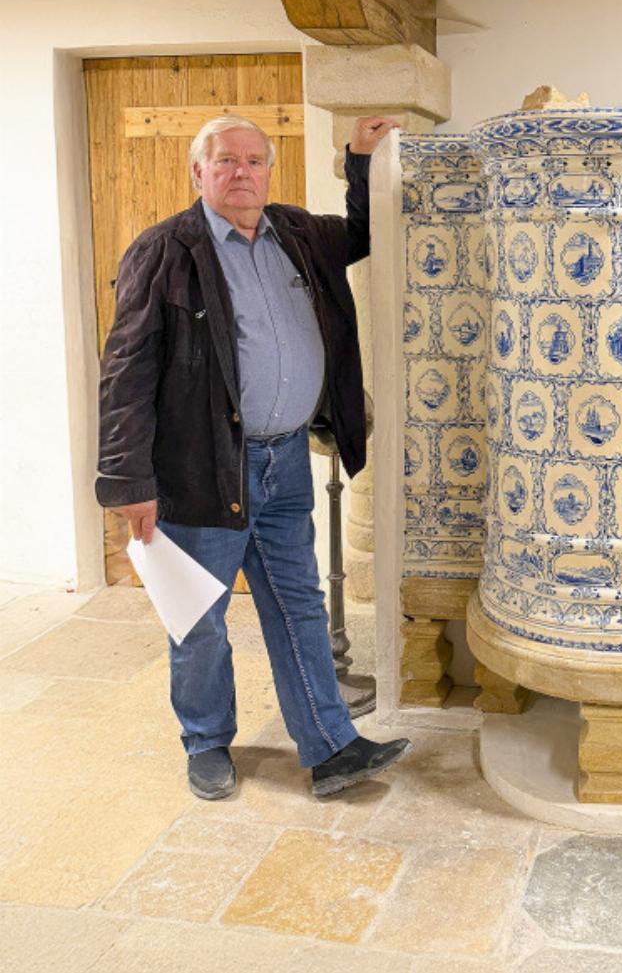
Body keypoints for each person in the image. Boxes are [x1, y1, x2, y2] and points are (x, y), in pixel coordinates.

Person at [96, 112, 409, 801]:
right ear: (198, 172)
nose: (241, 172)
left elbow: (363, 232)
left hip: (286, 462)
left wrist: (360, 158)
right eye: (225, 160)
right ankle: (206, 741)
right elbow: (125, 372)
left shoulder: (296, 234)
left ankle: (330, 746)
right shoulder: (163, 251)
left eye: (254, 160)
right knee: (199, 617)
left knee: (297, 603)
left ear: (269, 170)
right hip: (201, 468)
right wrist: (127, 479)